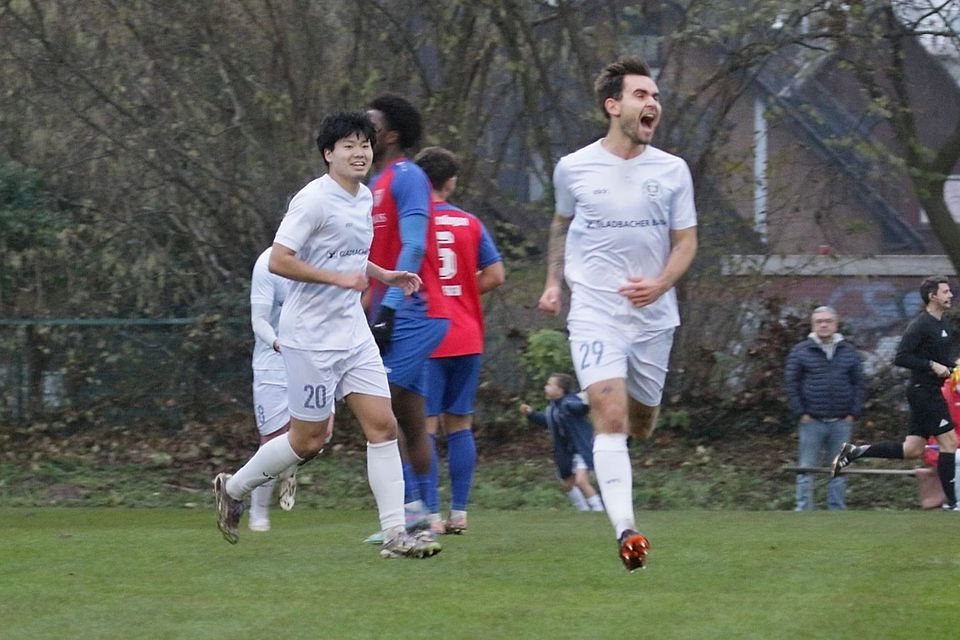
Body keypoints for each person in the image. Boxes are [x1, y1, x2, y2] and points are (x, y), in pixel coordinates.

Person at [213, 111, 439, 559]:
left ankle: (396, 536)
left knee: (383, 425)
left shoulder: (364, 198)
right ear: (328, 154)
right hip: (310, 337)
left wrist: (384, 275)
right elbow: (280, 259)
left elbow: (351, 256)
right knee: (308, 441)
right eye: (349, 146)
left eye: (366, 145)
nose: (360, 153)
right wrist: (338, 281)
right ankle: (233, 486)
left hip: (353, 334)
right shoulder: (312, 200)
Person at [537, 56, 698, 571]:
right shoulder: (574, 167)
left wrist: (661, 282)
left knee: (640, 423)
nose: (652, 103)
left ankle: (624, 450)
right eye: (641, 95)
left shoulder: (673, 170)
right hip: (595, 311)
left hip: (654, 317)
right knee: (609, 416)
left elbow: (687, 240)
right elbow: (560, 225)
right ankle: (626, 530)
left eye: (655, 97)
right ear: (613, 106)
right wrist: (552, 283)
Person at [364, 95, 451, 542]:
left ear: (391, 134)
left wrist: (390, 312)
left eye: (370, 124)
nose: (360, 130)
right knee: (410, 417)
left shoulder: (408, 176)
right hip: (390, 312)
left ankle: (403, 516)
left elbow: (414, 245)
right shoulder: (371, 183)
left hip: (417, 309)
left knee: (376, 404)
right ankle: (421, 512)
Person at [414, 146, 505, 534]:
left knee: (425, 427)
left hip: (428, 334)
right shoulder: (470, 223)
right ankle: (461, 512)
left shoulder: (413, 223)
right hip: (467, 334)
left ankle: (431, 515)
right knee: (461, 423)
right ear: (451, 182)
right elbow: (497, 274)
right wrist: (464, 293)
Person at [832, 276, 959, 510]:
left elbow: (944, 362)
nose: (950, 295)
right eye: (945, 292)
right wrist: (931, 365)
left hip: (930, 391)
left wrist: (954, 366)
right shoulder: (921, 324)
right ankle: (953, 503)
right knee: (950, 442)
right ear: (932, 296)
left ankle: (855, 451)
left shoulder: (944, 324)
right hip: (924, 392)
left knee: (912, 450)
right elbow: (901, 357)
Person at [784, 305, 864, 511]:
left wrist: (852, 413)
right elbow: (791, 383)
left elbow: (859, 383)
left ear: (836, 324)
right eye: (819, 321)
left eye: (828, 321)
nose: (824, 325)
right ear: (813, 325)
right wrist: (801, 413)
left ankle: (836, 509)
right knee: (806, 468)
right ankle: (804, 508)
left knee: (838, 467)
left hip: (841, 421)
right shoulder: (800, 351)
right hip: (812, 421)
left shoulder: (849, 351)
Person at [520, 373, 604, 513]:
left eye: (550, 385)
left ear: (560, 390)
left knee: (581, 481)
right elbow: (548, 421)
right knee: (567, 485)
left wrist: (586, 401)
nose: (546, 387)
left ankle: (598, 510)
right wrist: (531, 414)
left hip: (582, 448)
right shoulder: (553, 408)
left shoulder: (569, 402)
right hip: (567, 452)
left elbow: (579, 408)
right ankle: (583, 510)